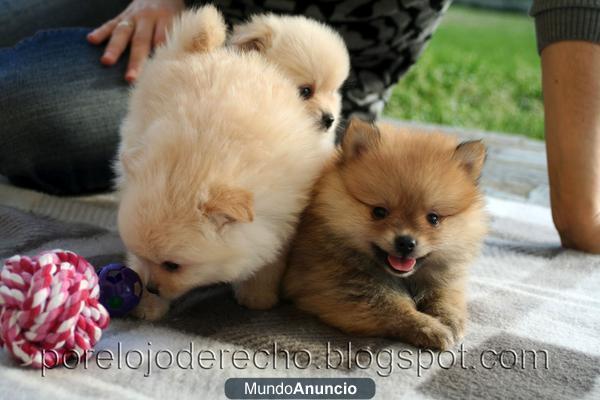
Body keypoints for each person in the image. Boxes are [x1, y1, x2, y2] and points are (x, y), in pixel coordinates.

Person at [0, 0, 598, 253]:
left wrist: (581, 207)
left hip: (289, 77)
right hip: (192, 18)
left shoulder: (326, 99)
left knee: (24, 108)